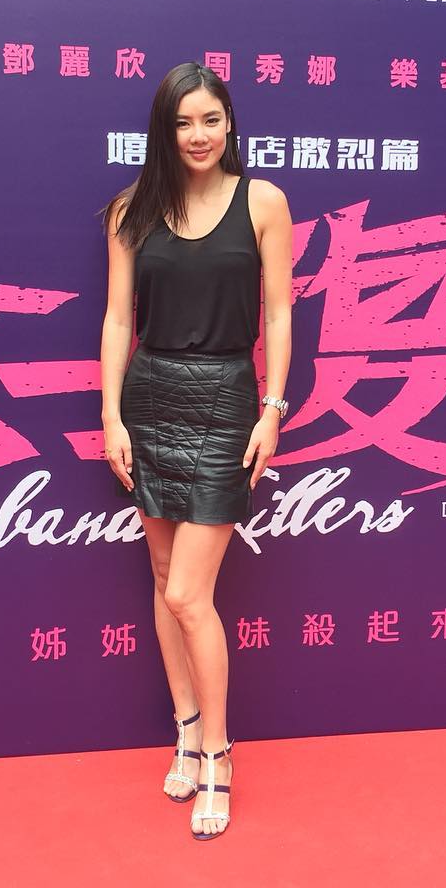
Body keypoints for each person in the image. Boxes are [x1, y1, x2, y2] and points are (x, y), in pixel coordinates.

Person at [97, 61, 293, 841]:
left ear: (230, 123)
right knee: (159, 574)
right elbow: (119, 319)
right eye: (183, 122)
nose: (199, 135)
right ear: (164, 130)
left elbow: (278, 314)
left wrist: (273, 408)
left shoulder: (263, 201)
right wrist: (111, 415)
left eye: (211, 119)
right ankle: (184, 726)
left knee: (187, 593)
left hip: (224, 398)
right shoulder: (130, 210)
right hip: (149, 397)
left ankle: (218, 752)